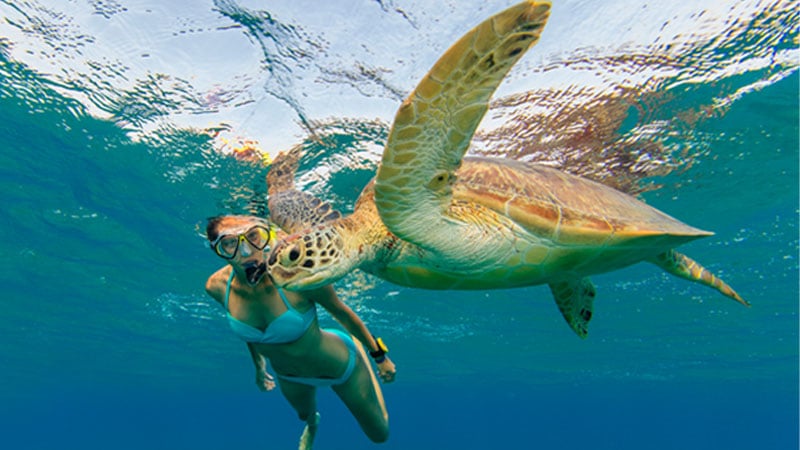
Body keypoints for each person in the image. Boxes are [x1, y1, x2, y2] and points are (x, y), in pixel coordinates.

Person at [203, 214, 395, 448]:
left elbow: (341, 312)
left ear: (265, 236)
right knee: (305, 416)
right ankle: (313, 425)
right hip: (288, 376)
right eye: (230, 243)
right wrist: (259, 368)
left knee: (379, 434)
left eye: (253, 236)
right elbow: (250, 332)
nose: (245, 251)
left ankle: (355, 347)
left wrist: (379, 356)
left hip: (339, 366)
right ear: (217, 250)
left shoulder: (297, 273)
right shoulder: (216, 287)